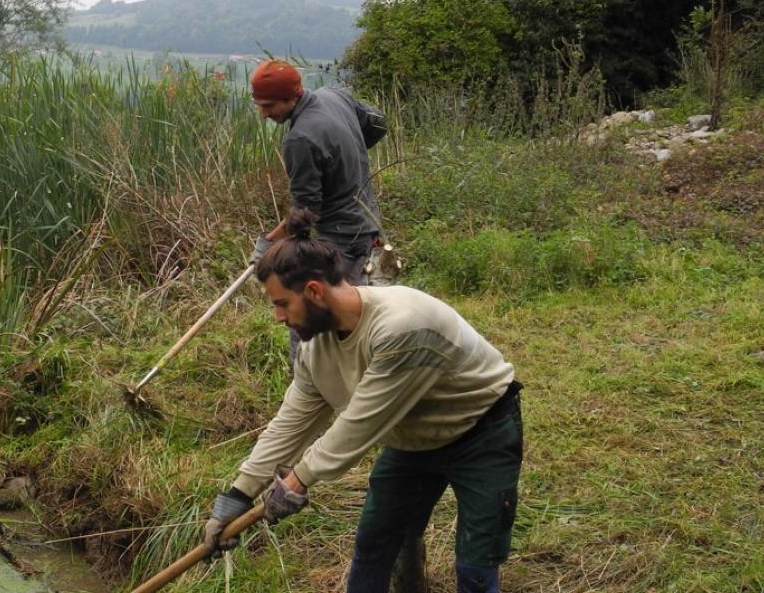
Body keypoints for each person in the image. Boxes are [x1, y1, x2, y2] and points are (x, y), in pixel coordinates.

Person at [206, 209, 525, 593]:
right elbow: (292, 420)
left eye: (281, 303)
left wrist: (297, 480)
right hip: (410, 439)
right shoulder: (316, 346)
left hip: (481, 431)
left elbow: (358, 424)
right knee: (375, 543)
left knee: (475, 562)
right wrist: (239, 495)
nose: (277, 317)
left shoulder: (402, 327)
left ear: (313, 291)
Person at [247, 59, 388, 286]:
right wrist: (349, 156)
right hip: (370, 224)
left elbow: (305, 213)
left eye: (269, 106)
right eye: (259, 105)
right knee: (363, 305)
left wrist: (268, 247)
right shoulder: (334, 96)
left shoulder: (300, 139)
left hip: (342, 242)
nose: (263, 114)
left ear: (291, 97)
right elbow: (378, 124)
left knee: (329, 313)